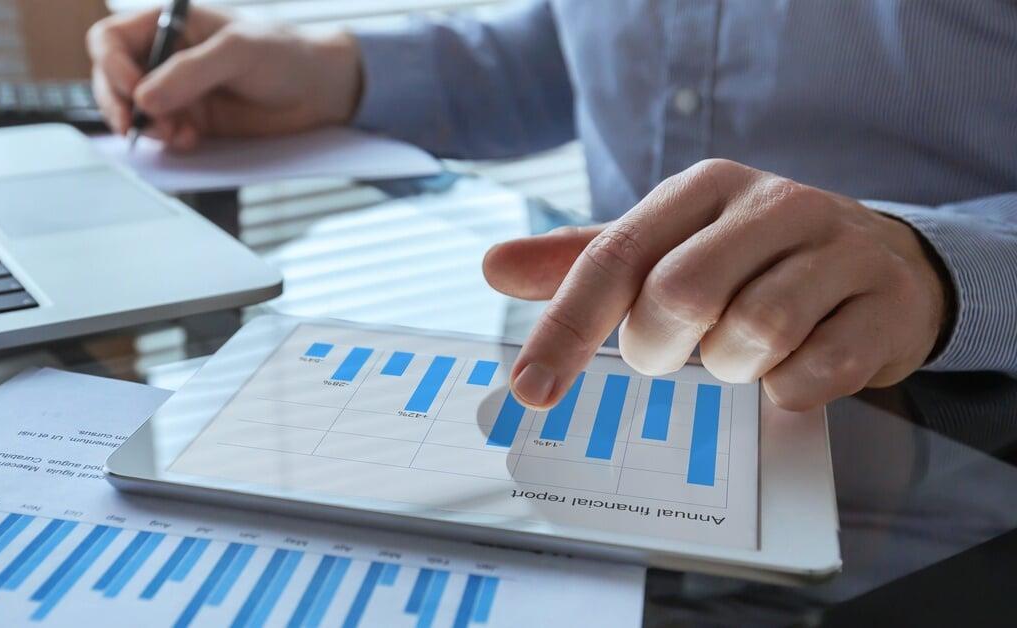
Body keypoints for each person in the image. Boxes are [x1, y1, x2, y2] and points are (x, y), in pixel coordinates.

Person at [87, 2, 1017, 412]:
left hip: (945, 431)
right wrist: (335, 71)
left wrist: (931, 263)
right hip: (616, 402)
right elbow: (568, 42)